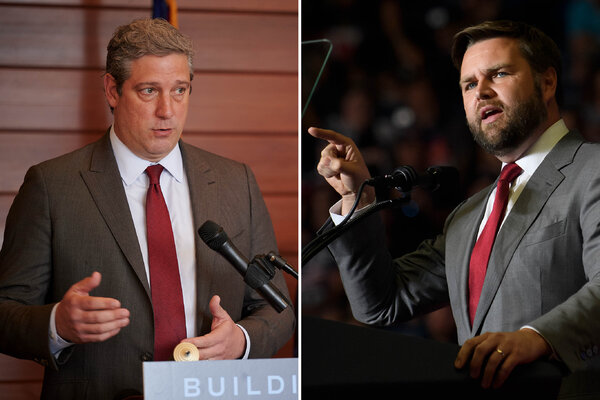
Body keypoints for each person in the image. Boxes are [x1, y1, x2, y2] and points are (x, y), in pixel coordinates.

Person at [0, 18, 295, 399]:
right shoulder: (51, 186)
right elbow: (5, 312)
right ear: (112, 90)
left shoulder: (235, 181)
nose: (167, 110)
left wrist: (240, 341)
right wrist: (57, 324)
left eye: (180, 90)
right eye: (149, 90)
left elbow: (277, 306)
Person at [309, 20, 600, 397]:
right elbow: (379, 304)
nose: (481, 91)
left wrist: (540, 337)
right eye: (469, 84)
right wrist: (357, 200)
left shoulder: (592, 170)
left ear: (547, 83)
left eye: (499, 73)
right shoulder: (468, 217)